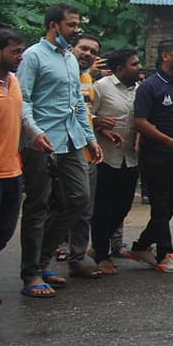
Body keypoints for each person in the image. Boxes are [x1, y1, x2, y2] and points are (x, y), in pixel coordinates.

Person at [18, 4, 104, 296]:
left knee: (79, 200)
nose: (76, 30)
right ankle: (31, 274)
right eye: (71, 25)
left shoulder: (70, 59)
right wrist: (35, 132)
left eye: (77, 24)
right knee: (37, 207)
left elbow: (78, 102)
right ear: (54, 25)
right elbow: (23, 100)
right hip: (41, 142)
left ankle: (43, 260)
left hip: (72, 140)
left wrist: (90, 137)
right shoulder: (32, 56)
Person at [129, 38, 173, 274]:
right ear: (165, 56)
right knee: (160, 204)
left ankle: (142, 245)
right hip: (155, 154)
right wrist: (171, 142)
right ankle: (165, 254)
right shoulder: (150, 86)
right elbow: (140, 122)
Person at [89, 49, 141, 276]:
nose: (139, 67)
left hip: (130, 158)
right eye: (134, 64)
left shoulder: (140, 91)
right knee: (103, 208)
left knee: (123, 207)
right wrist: (98, 123)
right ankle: (101, 254)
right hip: (105, 157)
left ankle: (98, 245)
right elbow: (85, 113)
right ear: (120, 69)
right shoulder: (101, 87)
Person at [65, 33, 106, 279]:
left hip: (88, 153)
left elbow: (86, 112)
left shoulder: (87, 78)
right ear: (72, 49)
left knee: (84, 209)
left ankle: (77, 258)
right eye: (83, 48)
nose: (88, 54)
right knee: (60, 207)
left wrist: (98, 129)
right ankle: (41, 263)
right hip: (64, 150)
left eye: (93, 50)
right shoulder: (63, 75)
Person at [0, 28, 28, 301]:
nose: (20, 56)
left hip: (13, 171)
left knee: (4, 232)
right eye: (15, 52)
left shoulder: (14, 82)